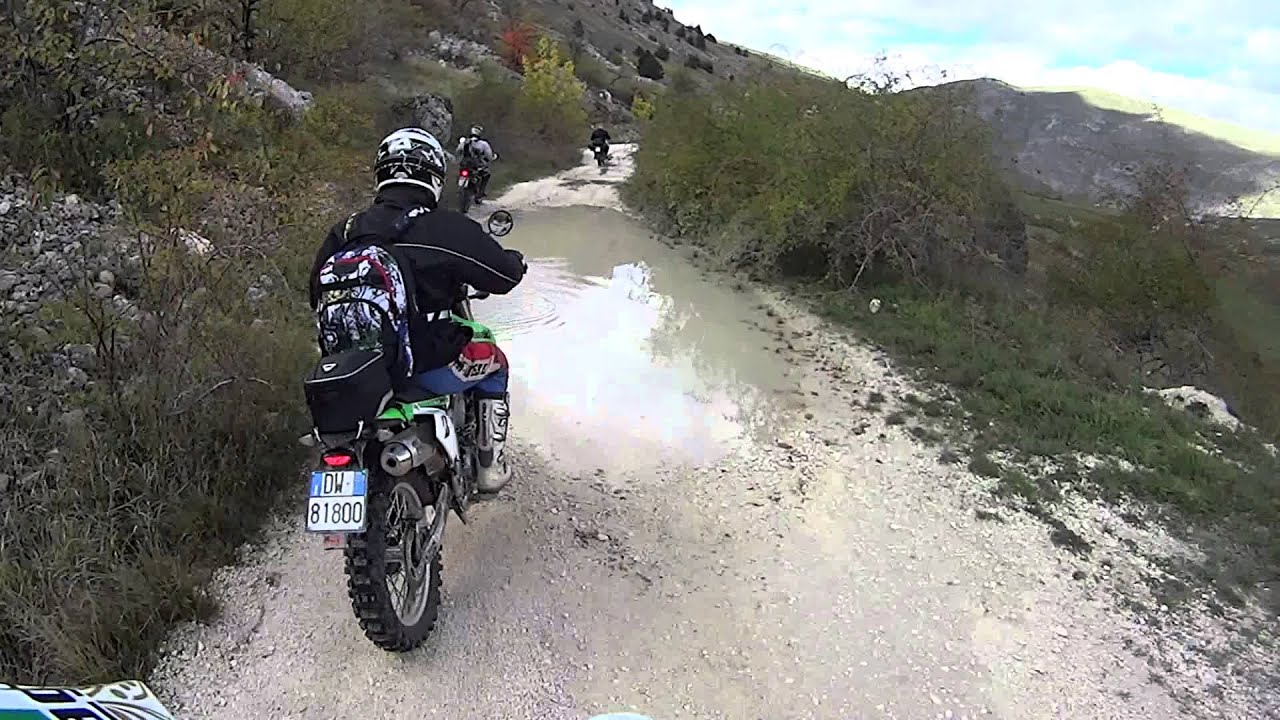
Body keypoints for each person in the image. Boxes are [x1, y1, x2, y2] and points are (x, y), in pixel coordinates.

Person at [309, 127, 527, 493]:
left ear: (381, 172)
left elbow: (315, 293)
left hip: (354, 371)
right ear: (434, 175)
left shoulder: (346, 229)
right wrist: (515, 263)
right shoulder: (445, 227)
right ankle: (490, 469)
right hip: (426, 366)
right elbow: (501, 277)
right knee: (496, 363)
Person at [454, 125, 498, 204]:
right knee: (486, 175)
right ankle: (479, 195)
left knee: (460, 175)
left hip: (464, 165)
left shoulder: (464, 142)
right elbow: (489, 155)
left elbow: (458, 151)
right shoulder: (483, 144)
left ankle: (458, 192)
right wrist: (491, 158)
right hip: (476, 167)